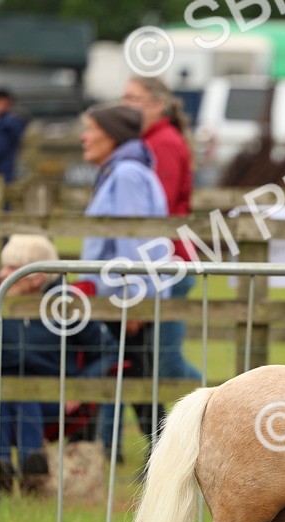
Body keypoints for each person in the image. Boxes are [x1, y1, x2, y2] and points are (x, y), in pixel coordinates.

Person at [0, 234, 117, 494]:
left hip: (53, 398)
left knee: (24, 394)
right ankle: (28, 467)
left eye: (12, 268)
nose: (2, 274)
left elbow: (108, 351)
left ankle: (4, 466)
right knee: (9, 394)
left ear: (36, 278)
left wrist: (80, 387)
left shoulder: (66, 305)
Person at [77, 103, 172, 462]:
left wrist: (134, 298)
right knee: (128, 378)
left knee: (135, 381)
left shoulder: (127, 174)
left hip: (122, 299)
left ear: (112, 135)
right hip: (117, 296)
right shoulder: (123, 171)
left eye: (91, 129)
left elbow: (133, 238)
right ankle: (122, 454)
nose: (84, 137)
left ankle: (163, 457)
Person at [121, 76, 203, 398]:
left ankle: (225, 408)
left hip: (169, 262)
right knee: (139, 360)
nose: (125, 105)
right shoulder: (151, 141)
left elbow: (158, 210)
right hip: (161, 261)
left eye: (133, 98)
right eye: (124, 98)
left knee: (166, 363)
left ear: (157, 105)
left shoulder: (163, 143)